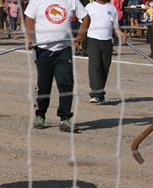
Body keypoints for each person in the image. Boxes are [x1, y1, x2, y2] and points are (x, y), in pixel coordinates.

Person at [24, 0, 88, 133]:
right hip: (43, 50)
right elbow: (29, 18)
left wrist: (79, 37)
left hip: (63, 50)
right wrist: (30, 37)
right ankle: (40, 114)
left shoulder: (72, 1)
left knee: (66, 82)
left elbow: (86, 17)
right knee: (44, 85)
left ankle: (65, 118)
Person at [82, 0, 127, 104]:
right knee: (95, 66)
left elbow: (115, 27)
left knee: (105, 67)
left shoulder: (111, 8)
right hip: (93, 40)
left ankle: (100, 94)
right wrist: (80, 39)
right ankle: (95, 94)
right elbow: (84, 23)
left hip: (107, 41)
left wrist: (122, 34)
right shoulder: (89, 7)